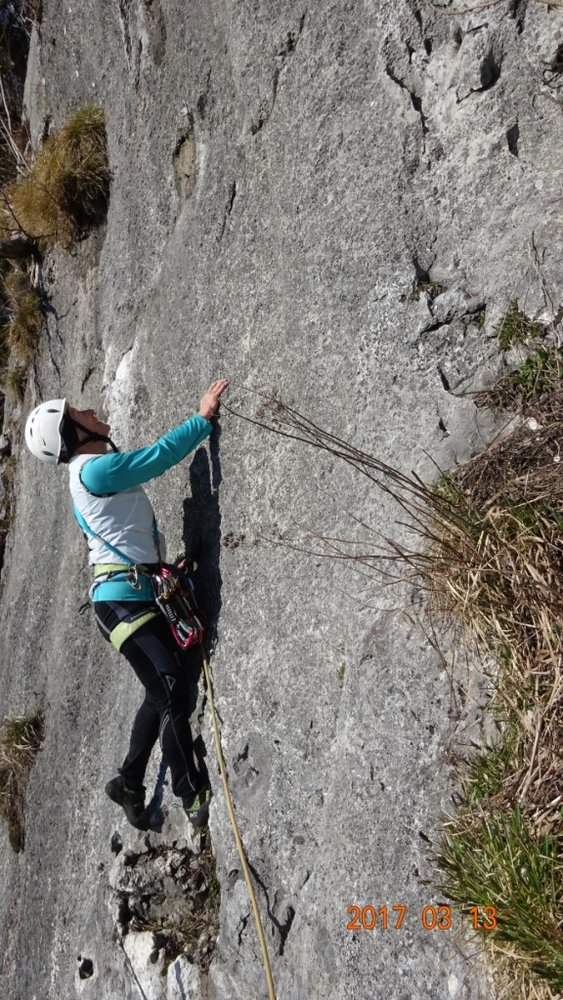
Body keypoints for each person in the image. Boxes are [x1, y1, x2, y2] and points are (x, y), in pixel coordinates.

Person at [24, 379, 229, 830]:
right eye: (78, 413)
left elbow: (124, 534)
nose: (89, 411)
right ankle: (191, 793)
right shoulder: (92, 470)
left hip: (134, 594)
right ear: (72, 433)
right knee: (171, 688)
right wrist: (202, 419)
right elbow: (154, 459)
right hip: (121, 603)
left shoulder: (85, 475)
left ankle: (129, 782)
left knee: (160, 690)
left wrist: (161, 567)